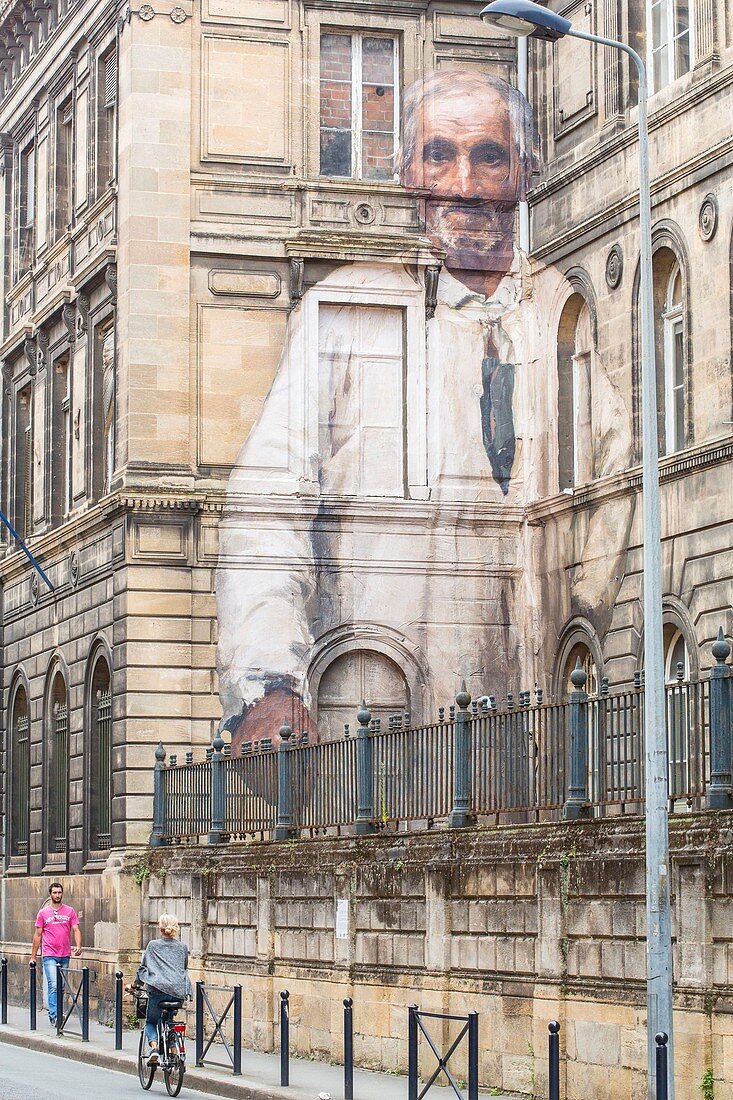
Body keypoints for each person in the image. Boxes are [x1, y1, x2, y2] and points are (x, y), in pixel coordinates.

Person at [215, 69, 631, 749]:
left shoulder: (566, 310)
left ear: (523, 173)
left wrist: (577, 621)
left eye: (487, 157)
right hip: (384, 717)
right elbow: (266, 507)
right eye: (439, 154)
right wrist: (270, 685)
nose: (462, 185)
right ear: (407, 171)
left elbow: (615, 494)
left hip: (543, 721)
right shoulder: (345, 314)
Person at [128, 913, 192, 1066]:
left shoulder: (153, 945)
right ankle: (175, 1057)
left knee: (151, 1021)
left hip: (157, 991)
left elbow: (142, 968)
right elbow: (183, 968)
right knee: (169, 1021)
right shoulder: (182, 947)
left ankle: (154, 1050)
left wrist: (134, 986)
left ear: (160, 927)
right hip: (178, 992)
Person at [30, 882, 82, 1028]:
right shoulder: (43, 913)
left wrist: (78, 946)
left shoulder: (69, 911)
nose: (57, 895)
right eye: (55, 893)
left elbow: (76, 929)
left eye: (59, 893)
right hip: (49, 954)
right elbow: (37, 935)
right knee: (53, 984)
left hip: (64, 954)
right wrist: (33, 957)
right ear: (50, 894)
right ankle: (55, 1016)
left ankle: (58, 1012)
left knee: (62, 986)